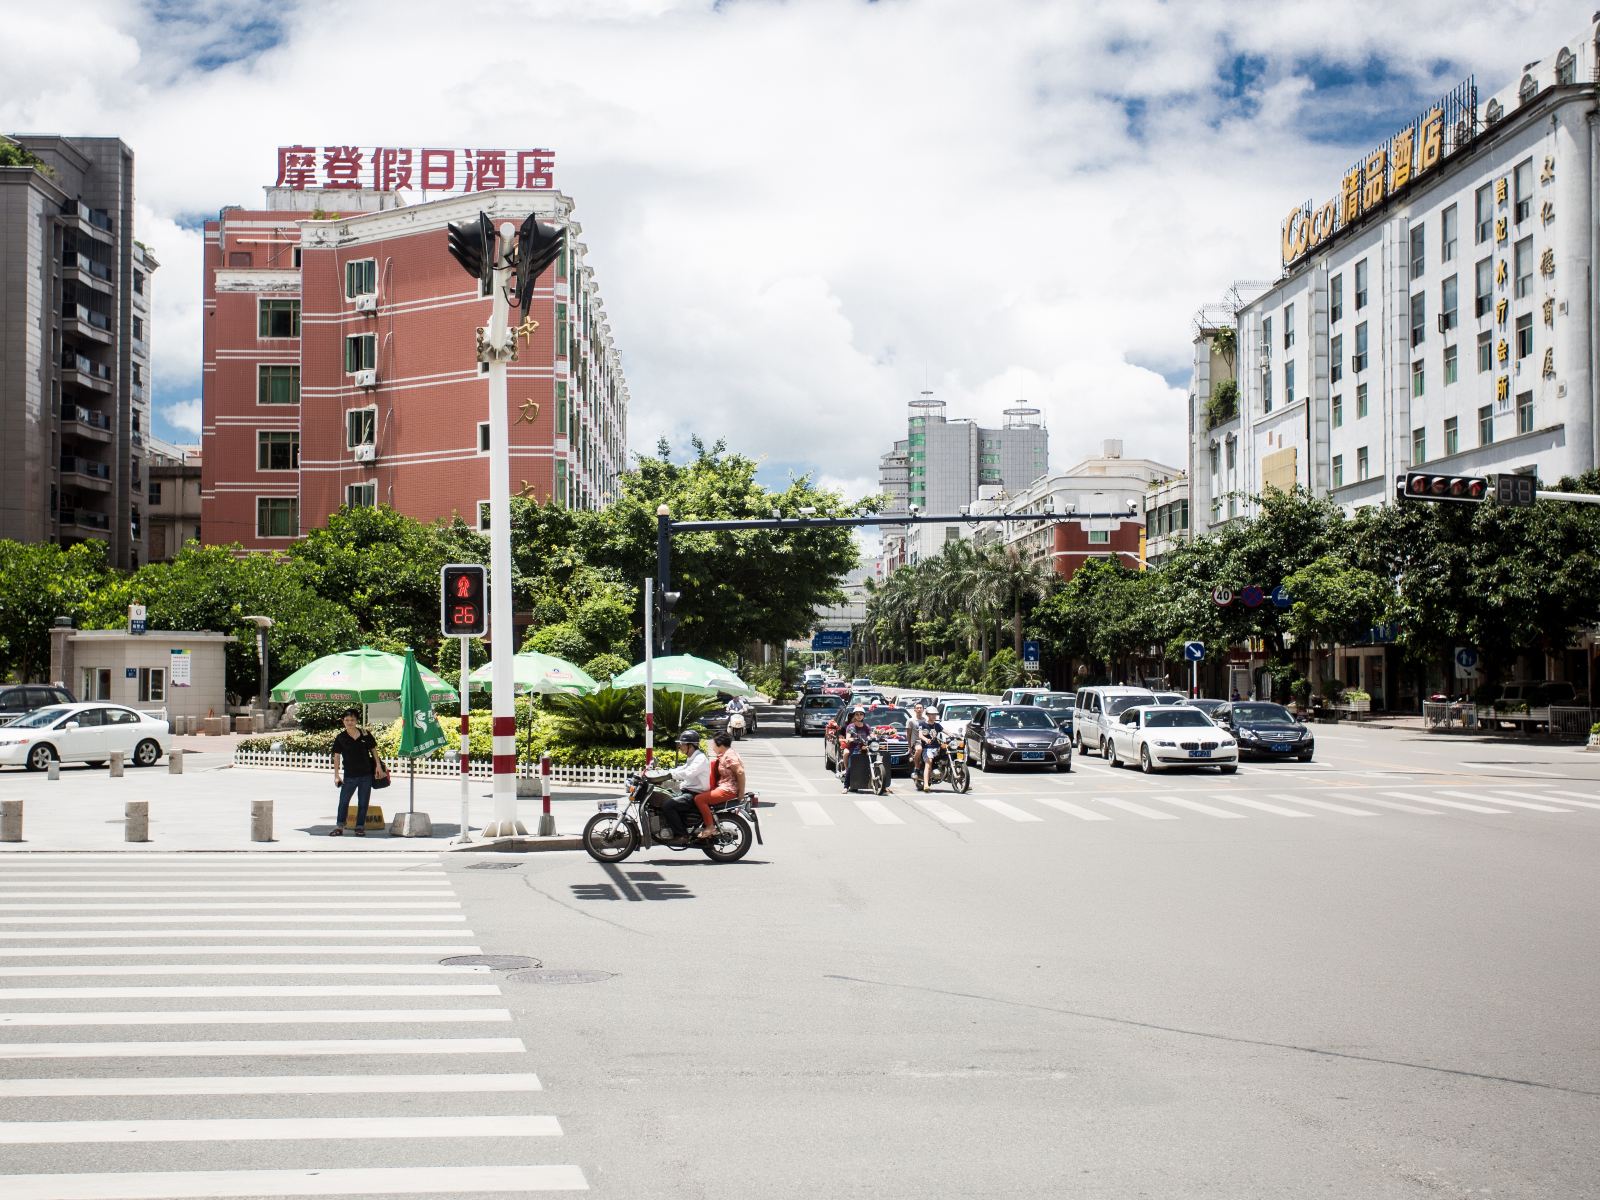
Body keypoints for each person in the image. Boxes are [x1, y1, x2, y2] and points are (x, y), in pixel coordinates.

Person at [331, 708, 387, 837]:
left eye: (352, 720)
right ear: (343, 721)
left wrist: (378, 766)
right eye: (347, 720)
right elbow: (337, 756)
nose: (349, 722)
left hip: (366, 774)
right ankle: (339, 826)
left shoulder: (365, 734)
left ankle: (360, 827)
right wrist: (336, 775)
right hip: (349, 776)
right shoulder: (341, 737)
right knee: (343, 801)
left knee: (363, 802)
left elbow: (373, 750)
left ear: (356, 721)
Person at [691, 733, 746, 840]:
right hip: (724, 787)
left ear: (720, 744)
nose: (712, 747)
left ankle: (710, 827)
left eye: (713, 744)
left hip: (728, 789)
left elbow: (740, 772)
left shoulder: (729, 755)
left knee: (699, 799)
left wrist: (741, 793)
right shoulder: (726, 754)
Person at [667, 729, 711, 839]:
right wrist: (666, 772)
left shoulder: (700, 759)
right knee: (666, 796)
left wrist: (670, 775)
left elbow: (688, 773)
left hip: (695, 794)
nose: (680, 747)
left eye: (682, 744)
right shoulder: (693, 757)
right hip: (689, 791)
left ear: (690, 746)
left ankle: (681, 835)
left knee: (668, 805)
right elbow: (683, 768)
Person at [907, 702, 941, 791]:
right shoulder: (911, 721)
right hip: (917, 741)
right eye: (917, 708)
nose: (919, 709)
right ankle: (917, 768)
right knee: (919, 749)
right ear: (914, 710)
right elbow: (909, 734)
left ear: (923, 710)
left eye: (920, 708)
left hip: (929, 743)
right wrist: (909, 746)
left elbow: (941, 730)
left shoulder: (927, 720)